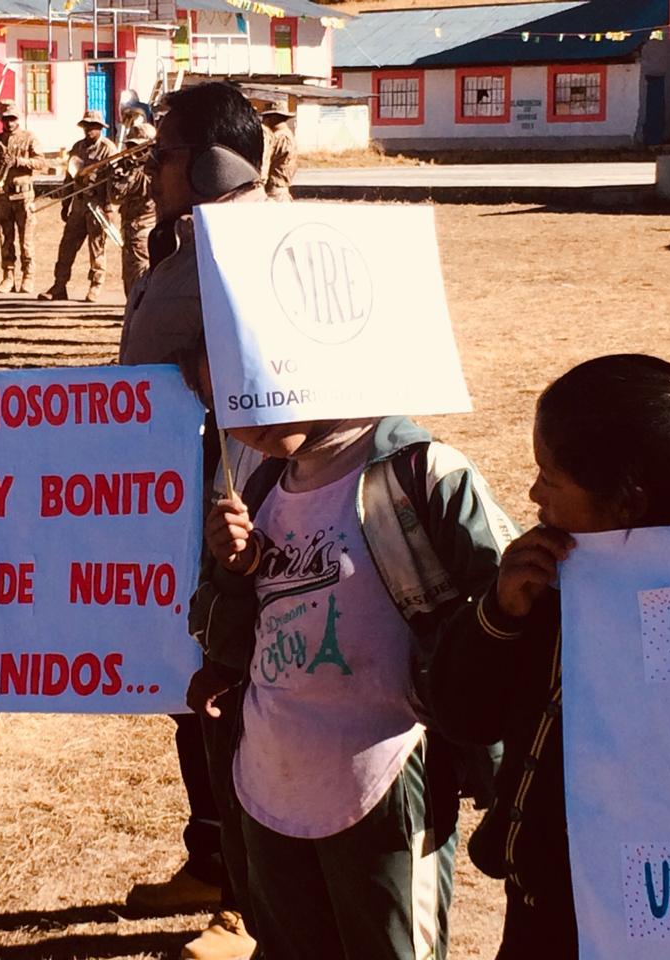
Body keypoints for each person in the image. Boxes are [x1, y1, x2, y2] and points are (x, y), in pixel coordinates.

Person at [185, 329, 517, 960]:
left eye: (248, 388)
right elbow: (230, 638)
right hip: (269, 783)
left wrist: (497, 765)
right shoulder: (259, 492)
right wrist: (235, 570)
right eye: (219, 401)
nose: (240, 420)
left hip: (385, 784)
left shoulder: (420, 475)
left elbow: (507, 619)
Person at [427, 354, 670, 959]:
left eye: (549, 478)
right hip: (545, 917)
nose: (533, 494)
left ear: (627, 501)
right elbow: (463, 717)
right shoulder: (547, 587)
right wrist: (499, 613)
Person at [117, 81, 268, 960]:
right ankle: (212, 861)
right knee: (193, 688)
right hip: (175, 506)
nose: (151, 169)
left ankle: (246, 905)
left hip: (234, 508)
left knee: (234, 694)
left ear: (211, 161)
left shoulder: (251, 246)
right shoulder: (187, 240)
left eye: (164, 153)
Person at [40, 110, 118, 303]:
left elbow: (114, 181)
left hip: (97, 206)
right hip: (78, 205)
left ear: (100, 128)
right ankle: (59, 285)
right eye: (87, 126)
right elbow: (69, 177)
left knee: (97, 247)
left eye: (94, 127)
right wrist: (65, 203)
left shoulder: (108, 149)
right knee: (67, 246)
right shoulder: (77, 147)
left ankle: (95, 285)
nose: (89, 130)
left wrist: (109, 207)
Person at [0, 102, 44, 294]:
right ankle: (8, 276)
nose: (9, 123)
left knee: (26, 240)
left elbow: (41, 162)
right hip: (4, 196)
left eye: (12, 119)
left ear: (18, 119)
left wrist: (19, 161)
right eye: (6, 119)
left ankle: (28, 276)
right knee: (5, 238)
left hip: (24, 196)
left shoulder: (29, 138)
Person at [109, 122, 156, 296]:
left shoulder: (152, 170)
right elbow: (115, 197)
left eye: (138, 148)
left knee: (140, 273)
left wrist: (130, 173)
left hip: (144, 229)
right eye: (130, 146)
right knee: (128, 275)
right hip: (129, 229)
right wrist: (116, 174)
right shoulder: (129, 168)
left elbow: (143, 190)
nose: (133, 152)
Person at [259, 101, 297, 202]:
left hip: (274, 191)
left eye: (266, 117)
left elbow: (265, 163)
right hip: (282, 191)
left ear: (274, 117)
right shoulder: (287, 134)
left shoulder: (278, 137)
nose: (264, 120)